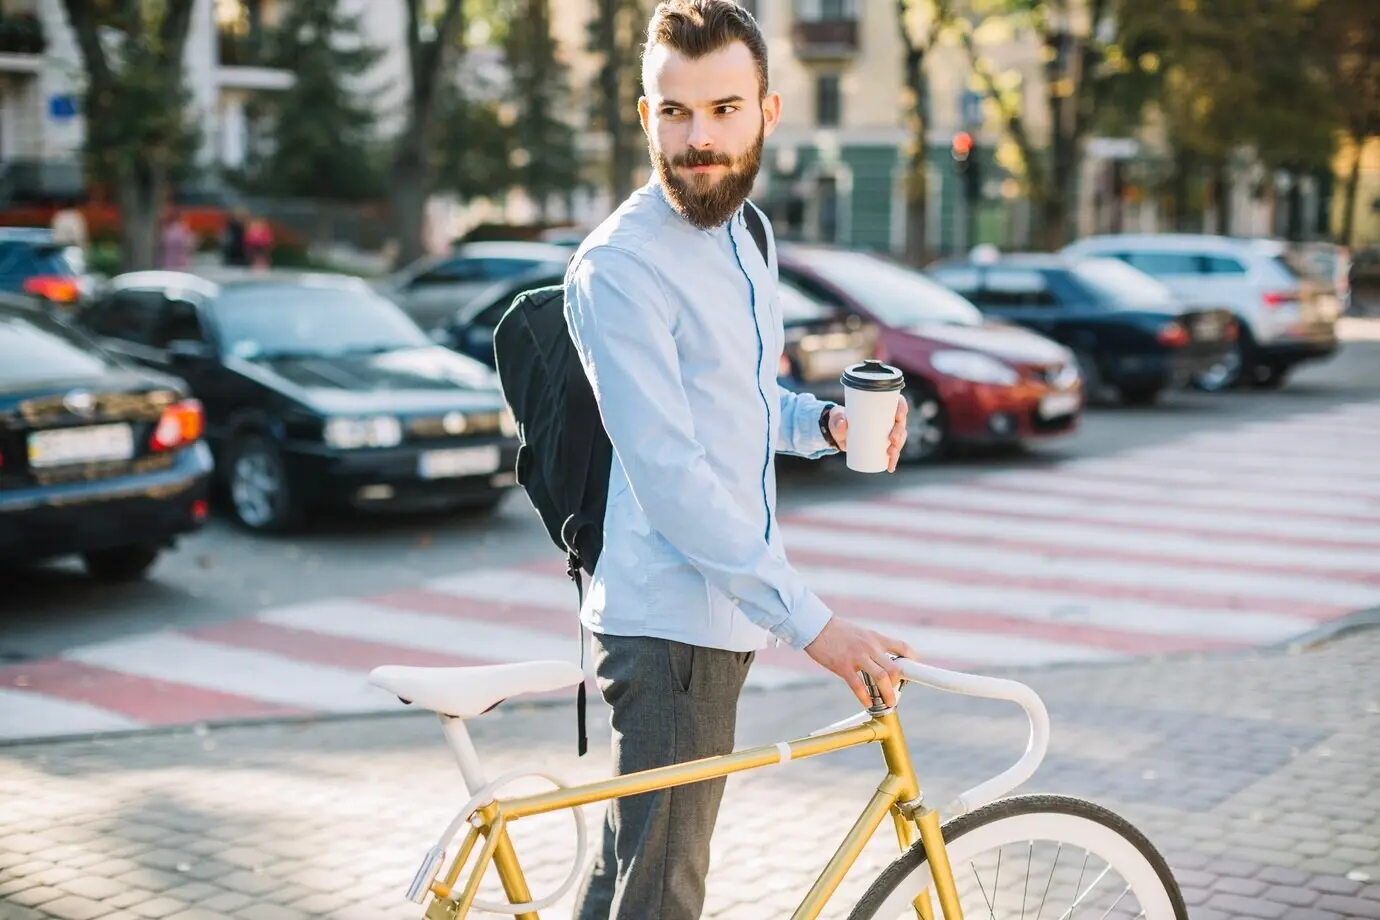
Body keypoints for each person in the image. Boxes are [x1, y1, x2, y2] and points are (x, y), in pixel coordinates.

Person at [561, 3, 917, 918]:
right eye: (674, 112)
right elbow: (670, 476)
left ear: (767, 111)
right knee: (663, 896)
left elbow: (743, 404)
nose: (699, 140)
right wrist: (814, 624)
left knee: (633, 875)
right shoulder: (621, 267)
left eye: (724, 109)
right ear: (645, 116)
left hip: (724, 616)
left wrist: (824, 425)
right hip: (669, 628)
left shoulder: (746, 232)